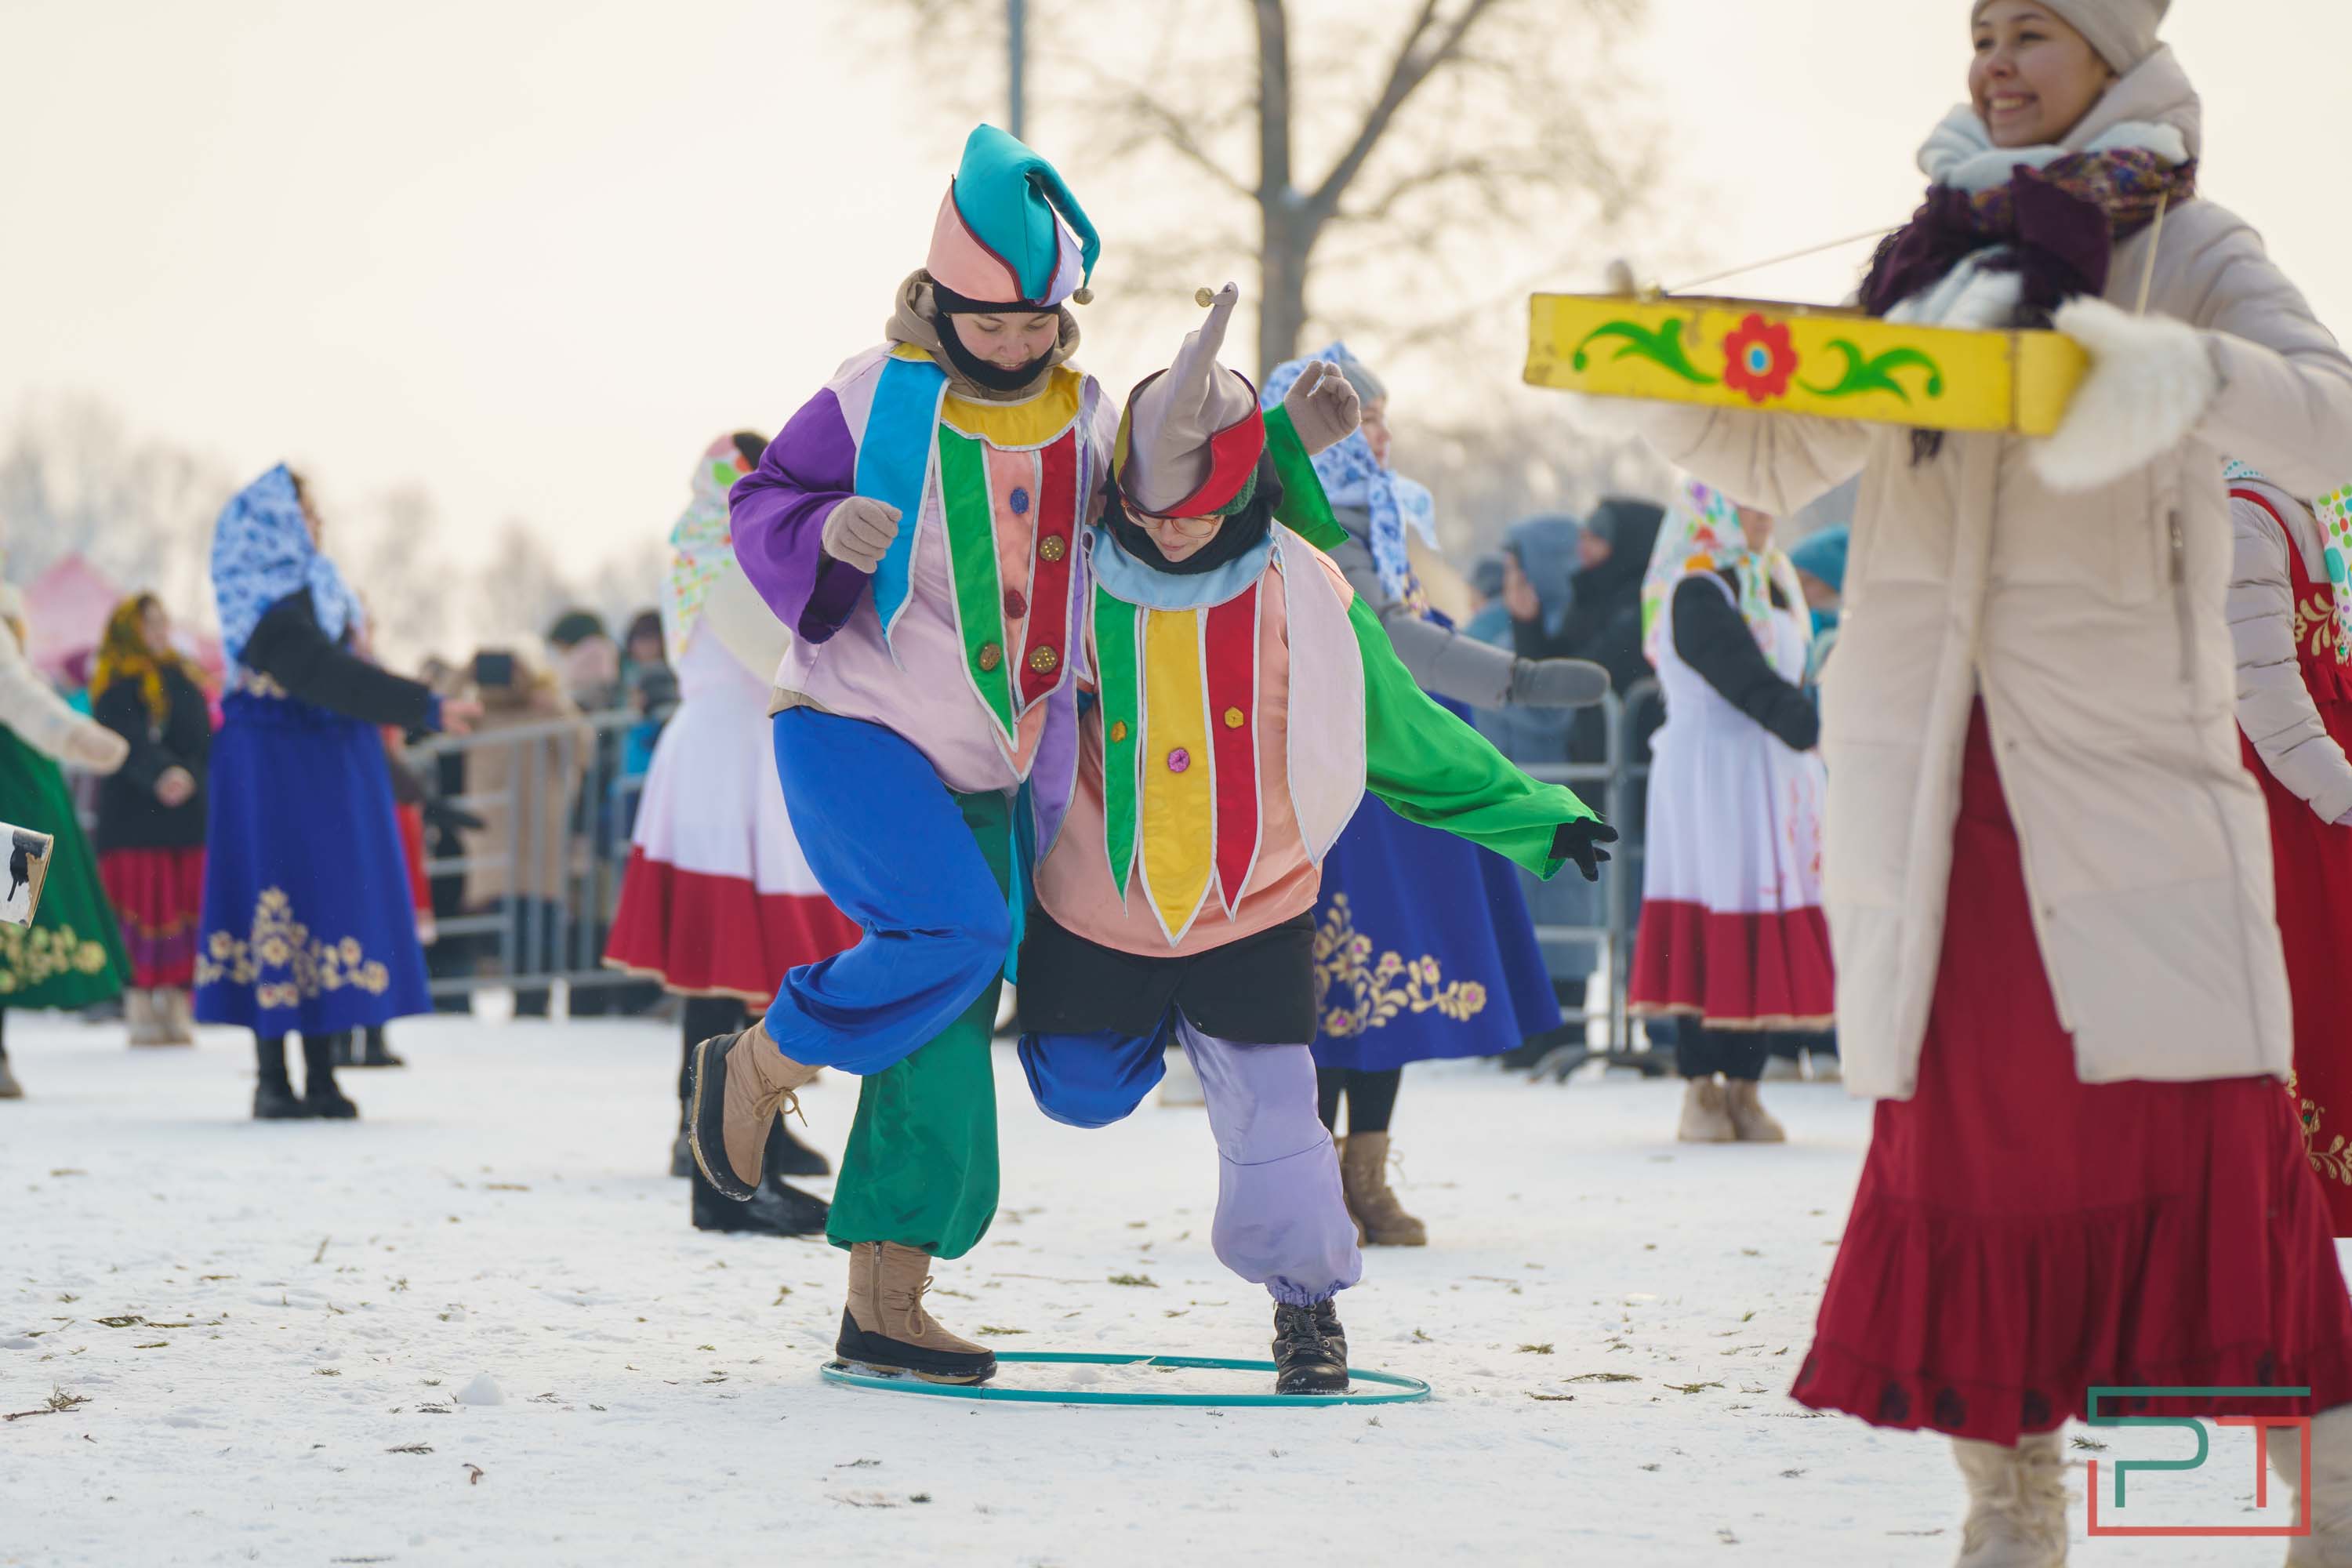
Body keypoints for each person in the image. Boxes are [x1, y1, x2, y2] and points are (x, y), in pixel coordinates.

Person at [1585, 2, 2352, 1556]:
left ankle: (2327, 1503)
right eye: (1982, 33)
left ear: (2118, 58)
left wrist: (2173, 376)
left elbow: (2330, 412)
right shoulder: (1928, 268)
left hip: (2124, 791)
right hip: (1936, 800)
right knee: (1966, 1151)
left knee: (2203, 1139)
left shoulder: (2189, 242)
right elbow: (1777, 450)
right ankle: (2010, 1508)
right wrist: (1653, 359)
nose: (1995, 62)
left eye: (2034, 33)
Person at [1014, 289, 1610, 1390]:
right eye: (1151, 509)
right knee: (1078, 1090)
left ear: (1243, 489)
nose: (1172, 526)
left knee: (1281, 1122)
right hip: (1098, 903)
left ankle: (1308, 1311)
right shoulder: (1075, 577)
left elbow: (1407, 733)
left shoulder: (1305, 589)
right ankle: (1144, 1035)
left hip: (1254, 907)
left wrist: (1544, 818)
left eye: (1196, 506)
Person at [686, 124, 1107, 1385]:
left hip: (996, 755)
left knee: (940, 1027)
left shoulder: (1086, 414)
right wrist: (829, 532)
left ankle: (886, 1305)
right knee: (958, 938)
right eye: (996, 320)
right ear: (941, 298)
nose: (1022, 340)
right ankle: (758, 1062)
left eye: (1041, 319)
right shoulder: (876, 393)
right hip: (852, 723)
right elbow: (757, 506)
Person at [1258, 345, 1606, 1247]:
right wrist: (1517, 678)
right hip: (1339, 782)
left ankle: (1364, 1171)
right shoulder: (1299, 528)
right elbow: (1395, 640)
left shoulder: (1382, 520)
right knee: (1322, 989)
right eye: (1364, 417)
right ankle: (1315, 1174)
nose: (1379, 435)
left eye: (1380, 418)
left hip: (1409, 774)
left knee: (1390, 987)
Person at [604, 431, 862, 1238]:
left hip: (738, 752)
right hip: (730, 759)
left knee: (751, 955)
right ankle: (714, 1132)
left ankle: (746, 1125)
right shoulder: (724, 550)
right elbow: (776, 648)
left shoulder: (711, 542)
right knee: (725, 956)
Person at [197, 466, 478, 1120]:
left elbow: (342, 673)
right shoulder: (267, 606)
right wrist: (421, 704)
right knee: (274, 897)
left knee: (324, 901)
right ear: (273, 525)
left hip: (323, 765)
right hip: (274, 767)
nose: (316, 524)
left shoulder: (319, 592)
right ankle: (273, 1078)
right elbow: (321, 674)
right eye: (305, 513)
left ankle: (322, 1072)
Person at [1626, 481, 1829, 1142]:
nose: (1765, 513)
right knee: (1714, 903)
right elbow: (1740, 674)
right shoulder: (1697, 588)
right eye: (1747, 500)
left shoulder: (1772, 583)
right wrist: (1808, 723)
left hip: (1771, 775)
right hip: (1714, 775)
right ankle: (1700, 1085)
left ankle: (1747, 1082)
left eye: (1770, 498)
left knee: (1762, 913)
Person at [2226, 462, 2352, 1239]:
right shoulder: (2247, 514)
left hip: (2331, 801)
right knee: (2310, 982)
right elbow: (2265, 688)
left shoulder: (2330, 511)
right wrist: (2340, 793)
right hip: (2297, 807)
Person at [0, 571, 131, 1098]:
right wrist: (75, 736)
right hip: (18, 792)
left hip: (21, 788)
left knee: (12, 917)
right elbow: (18, 696)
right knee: (11, 917)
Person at [89, 593, 212, 1047]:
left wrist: (187, 775)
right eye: (149, 623)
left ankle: (177, 1004)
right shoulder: (113, 683)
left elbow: (202, 739)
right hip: (135, 817)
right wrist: (158, 774)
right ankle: (140, 1003)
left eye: (163, 621)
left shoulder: (184, 679)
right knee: (143, 906)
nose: (159, 630)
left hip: (184, 816)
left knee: (181, 904)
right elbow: (120, 739)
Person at [456, 648, 589, 1018]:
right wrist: (467, 673)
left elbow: (583, 748)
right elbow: (437, 711)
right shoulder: (477, 715)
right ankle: (515, 996)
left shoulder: (544, 708)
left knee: (540, 919)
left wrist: (552, 703)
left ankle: (535, 1001)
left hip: (541, 832)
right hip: (493, 835)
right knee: (504, 922)